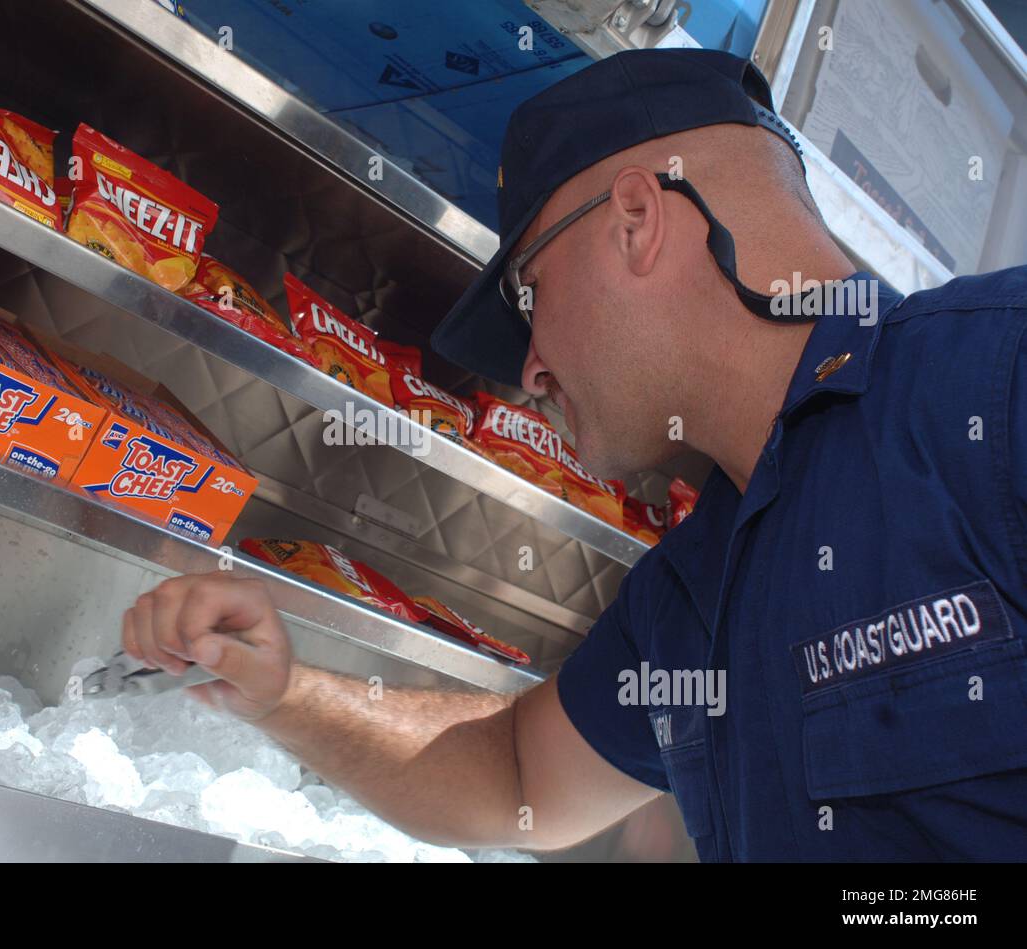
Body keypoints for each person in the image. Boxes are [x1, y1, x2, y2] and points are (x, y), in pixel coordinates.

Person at [120, 49, 1027, 861]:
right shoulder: (686, 594)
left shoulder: (994, 378)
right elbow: (516, 779)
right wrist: (283, 692)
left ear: (635, 218)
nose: (532, 366)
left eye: (529, 292)